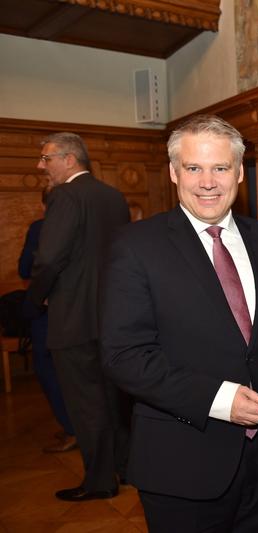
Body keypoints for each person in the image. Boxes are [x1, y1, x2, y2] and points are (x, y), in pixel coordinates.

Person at [100, 114, 258, 532]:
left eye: (220, 168)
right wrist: (220, 399)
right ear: (174, 173)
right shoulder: (135, 247)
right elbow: (123, 356)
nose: (208, 182)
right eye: (194, 168)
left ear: (239, 173)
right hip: (182, 463)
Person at [24, 132, 131, 501]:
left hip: (73, 318)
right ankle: (125, 468)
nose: (41, 166)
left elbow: (49, 258)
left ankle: (100, 482)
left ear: (70, 159)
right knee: (113, 400)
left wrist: (34, 300)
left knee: (86, 405)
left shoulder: (65, 196)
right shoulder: (113, 196)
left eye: (46, 158)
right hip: (113, 316)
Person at [18, 188, 76, 453]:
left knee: (47, 369)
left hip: (48, 311)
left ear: (44, 204)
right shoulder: (86, 225)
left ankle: (71, 428)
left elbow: (24, 269)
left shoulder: (40, 228)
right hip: (82, 311)